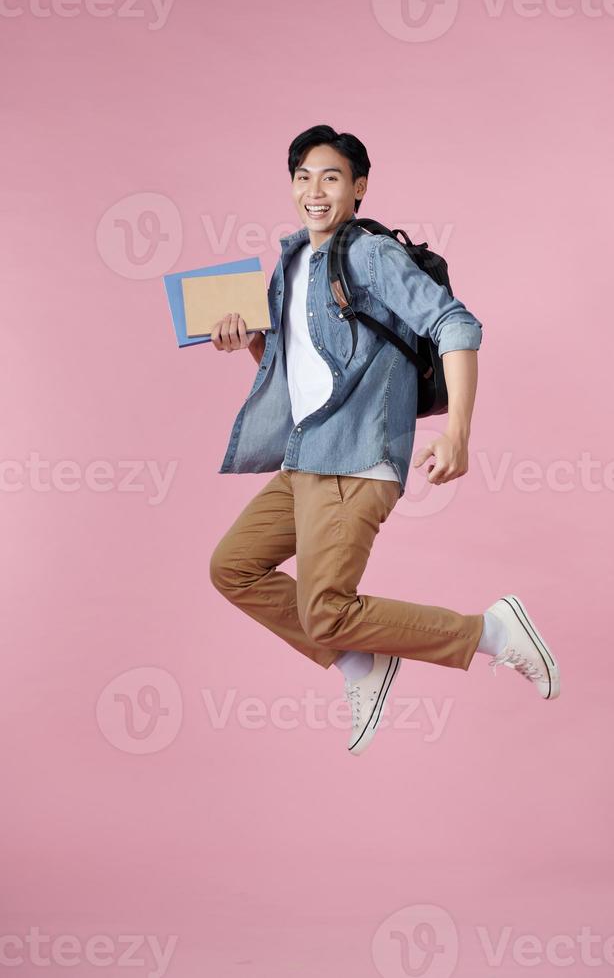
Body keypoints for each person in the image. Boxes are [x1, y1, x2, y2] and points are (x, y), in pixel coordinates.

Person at [209, 124, 560, 756]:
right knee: (233, 568)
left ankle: (490, 632)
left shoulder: (367, 255)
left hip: (357, 456)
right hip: (305, 454)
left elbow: (456, 322)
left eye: (332, 177)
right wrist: (251, 344)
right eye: (303, 177)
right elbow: (299, 374)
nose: (315, 190)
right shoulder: (291, 262)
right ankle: (358, 664)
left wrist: (459, 432)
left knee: (325, 611)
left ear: (359, 187)